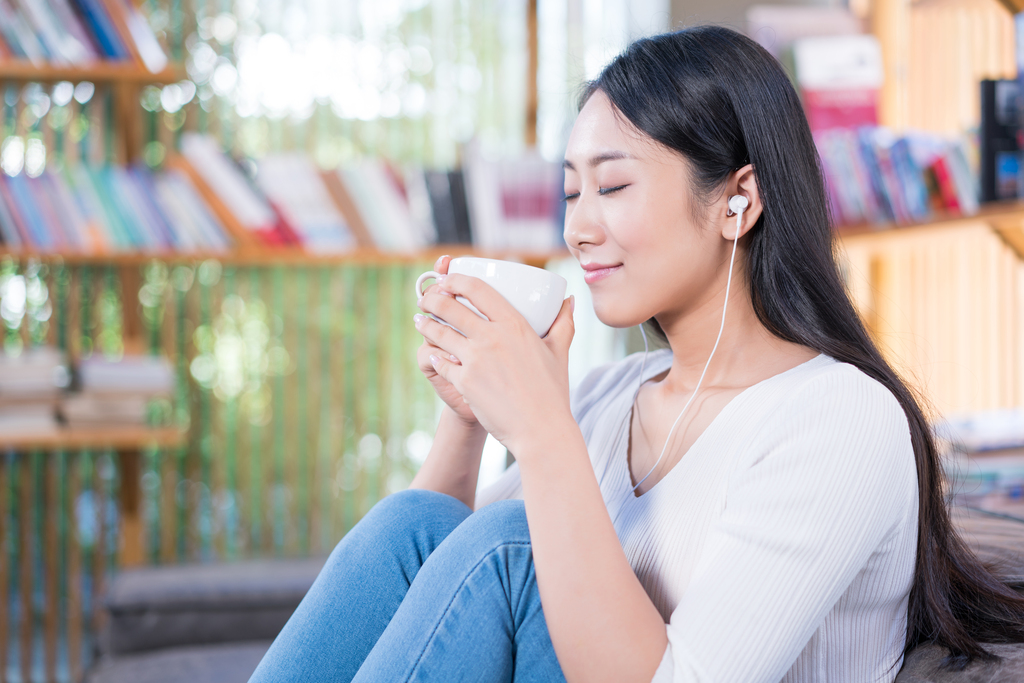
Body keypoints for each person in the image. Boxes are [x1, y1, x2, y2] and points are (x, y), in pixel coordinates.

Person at [248, 26, 1024, 683]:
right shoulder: (613, 393)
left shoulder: (840, 419)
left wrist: (545, 430)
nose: (579, 228)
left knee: (511, 548)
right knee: (415, 522)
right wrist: (469, 418)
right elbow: (436, 583)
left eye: (612, 187)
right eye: (571, 192)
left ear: (738, 200)